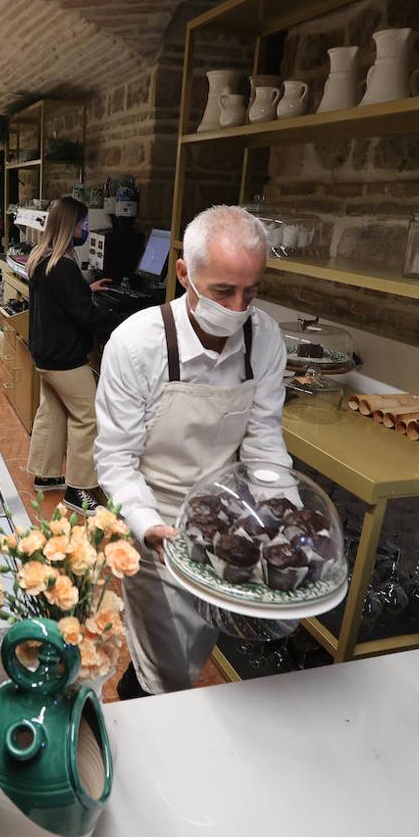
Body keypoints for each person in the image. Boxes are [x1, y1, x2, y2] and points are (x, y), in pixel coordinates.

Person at [94, 204, 291, 697]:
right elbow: (116, 459)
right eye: (224, 291)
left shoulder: (264, 338)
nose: (238, 307)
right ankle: (140, 709)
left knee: (198, 640)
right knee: (166, 664)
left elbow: (265, 445)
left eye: (252, 291)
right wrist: (145, 525)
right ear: (184, 273)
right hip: (152, 516)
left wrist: (283, 519)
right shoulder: (137, 343)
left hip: (223, 524)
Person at [25, 196, 115, 515]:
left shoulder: (42, 258)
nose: (86, 230)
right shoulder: (63, 266)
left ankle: (46, 475)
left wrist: (85, 291)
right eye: (84, 224)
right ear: (69, 226)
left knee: (52, 411)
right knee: (87, 417)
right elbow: (87, 318)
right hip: (64, 359)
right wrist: (125, 318)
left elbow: (60, 298)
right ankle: (78, 491)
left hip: (44, 356)